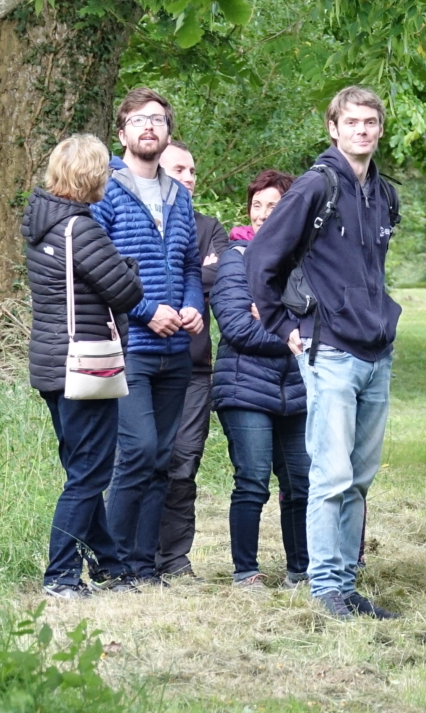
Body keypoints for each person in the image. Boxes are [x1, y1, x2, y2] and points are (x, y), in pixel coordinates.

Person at [247, 86, 403, 621]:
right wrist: (282, 323)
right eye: (352, 121)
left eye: (370, 122)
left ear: (380, 129)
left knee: (359, 478)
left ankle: (348, 583)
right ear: (333, 128)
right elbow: (262, 257)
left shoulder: (383, 194)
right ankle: (326, 588)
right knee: (332, 475)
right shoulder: (316, 186)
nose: (362, 129)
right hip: (330, 350)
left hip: (375, 351)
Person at [91, 89, 207, 588]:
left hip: (175, 351)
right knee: (136, 452)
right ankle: (111, 566)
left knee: (162, 459)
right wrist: (143, 310)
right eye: (138, 120)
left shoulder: (180, 196)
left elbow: (189, 267)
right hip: (129, 347)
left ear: (166, 133)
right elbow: (94, 269)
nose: (149, 127)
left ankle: (144, 566)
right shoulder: (106, 192)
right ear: (122, 134)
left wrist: (192, 307)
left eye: (157, 120)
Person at [23, 135, 145, 598]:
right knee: (89, 473)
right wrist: (130, 268)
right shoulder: (80, 228)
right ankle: (59, 576)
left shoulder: (42, 222)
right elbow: (126, 294)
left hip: (52, 363)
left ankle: (110, 566)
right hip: (84, 364)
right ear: (91, 176)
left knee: (82, 465)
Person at [210, 170, 308, 590]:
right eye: (257, 205)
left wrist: (271, 318)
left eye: (274, 205)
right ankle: (245, 571)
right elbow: (236, 326)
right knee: (251, 480)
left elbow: (324, 318)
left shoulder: (308, 259)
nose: (265, 214)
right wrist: (292, 333)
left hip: (298, 391)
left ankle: (301, 571)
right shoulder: (235, 258)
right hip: (244, 386)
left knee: (301, 483)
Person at [157, 138, 230, 581]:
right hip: (140, 363)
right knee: (143, 459)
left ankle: (175, 558)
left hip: (194, 369)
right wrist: (190, 275)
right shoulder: (138, 219)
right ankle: (135, 555)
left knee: (184, 463)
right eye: (179, 170)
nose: (188, 178)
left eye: (192, 171)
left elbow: (217, 274)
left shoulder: (208, 227)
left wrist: (197, 272)